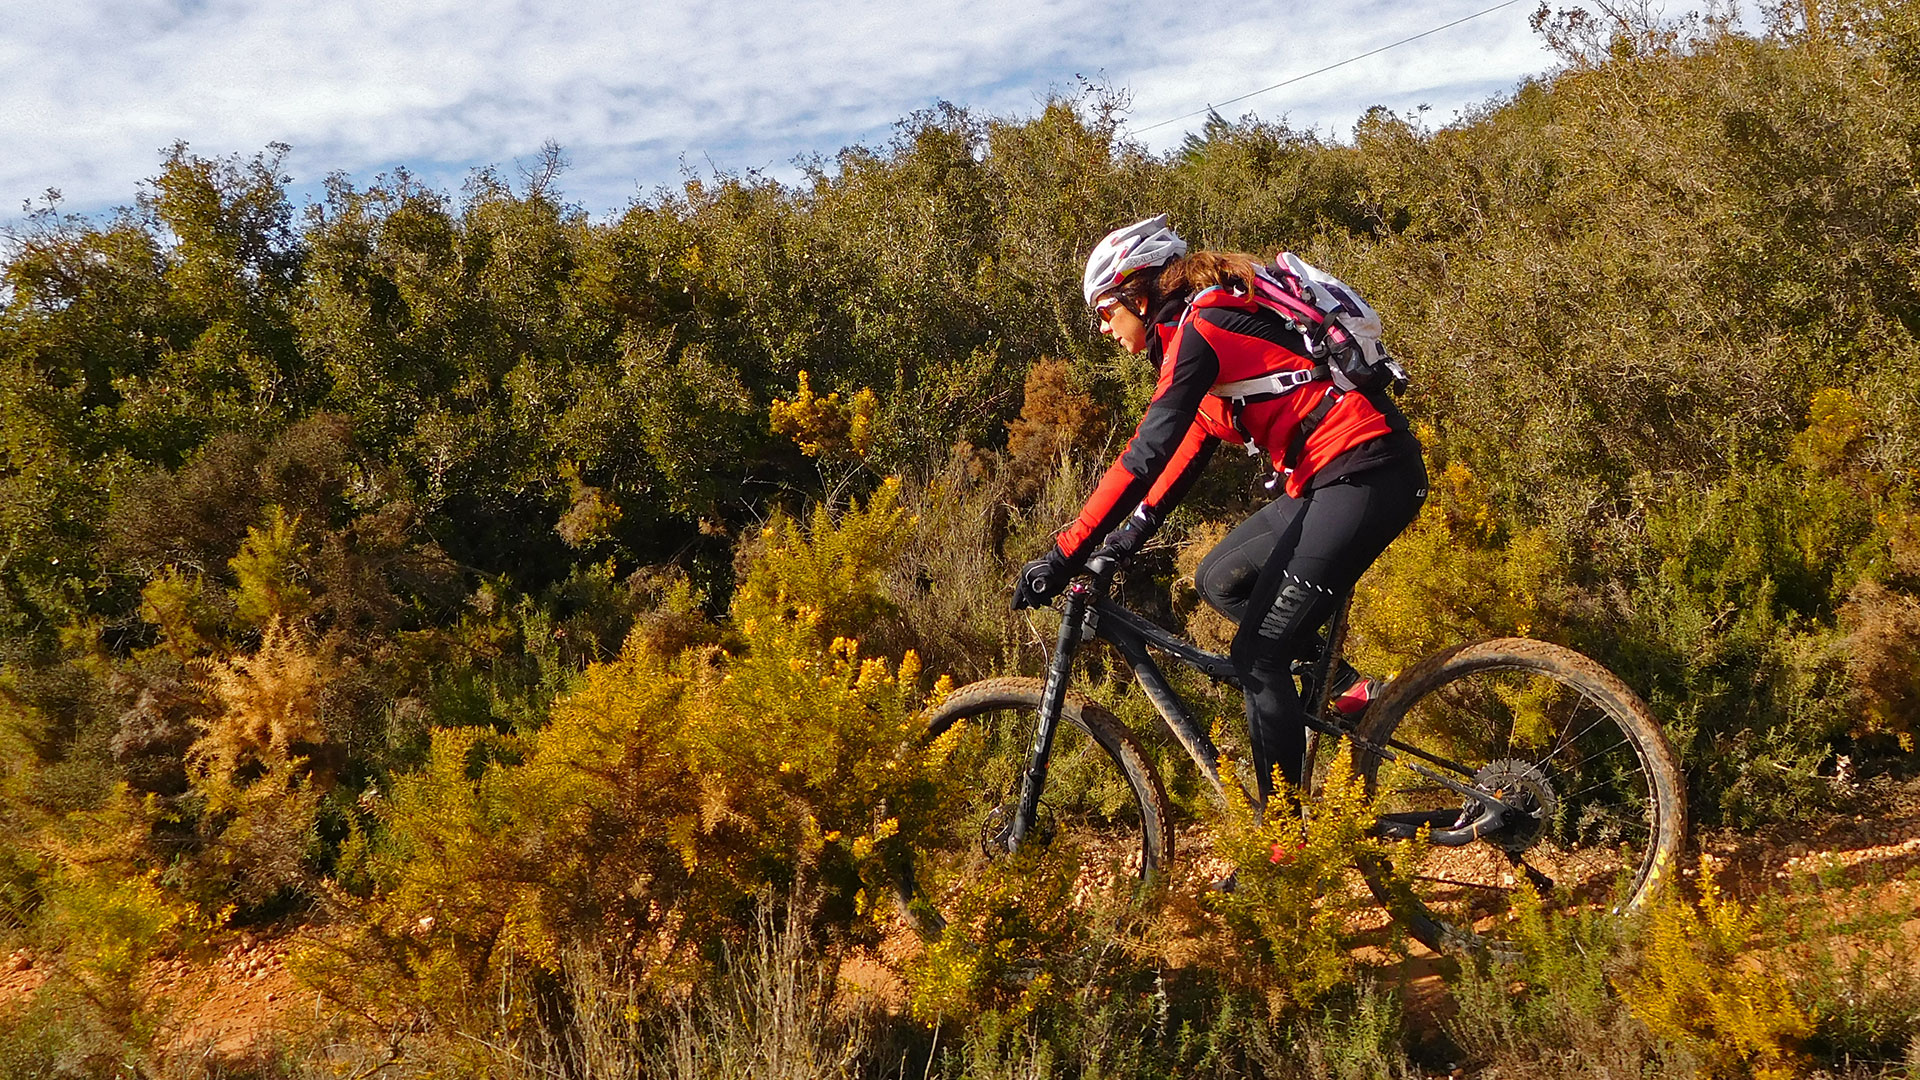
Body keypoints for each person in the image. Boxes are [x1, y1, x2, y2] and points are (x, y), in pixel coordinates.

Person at [1011, 214, 1429, 805]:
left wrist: (1064, 550)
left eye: (1105, 311)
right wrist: (1119, 543)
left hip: (1366, 472)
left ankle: (1283, 846)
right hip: (1329, 479)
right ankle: (1345, 688)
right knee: (1221, 579)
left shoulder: (1202, 327)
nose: (1105, 329)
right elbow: (1185, 453)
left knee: (1259, 656)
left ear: (1137, 289)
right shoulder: (1208, 328)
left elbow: (1146, 453)